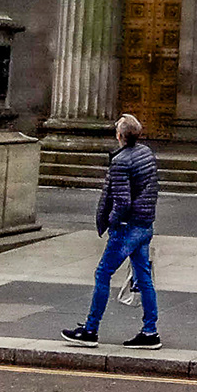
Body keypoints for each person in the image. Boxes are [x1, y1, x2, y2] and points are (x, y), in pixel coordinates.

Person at [62, 114, 161, 350]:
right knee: (143, 277)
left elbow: (122, 201)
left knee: (103, 273)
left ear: (119, 136)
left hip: (127, 227)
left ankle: (90, 329)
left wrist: (111, 221)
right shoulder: (146, 153)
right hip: (145, 224)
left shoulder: (121, 162)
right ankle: (150, 331)